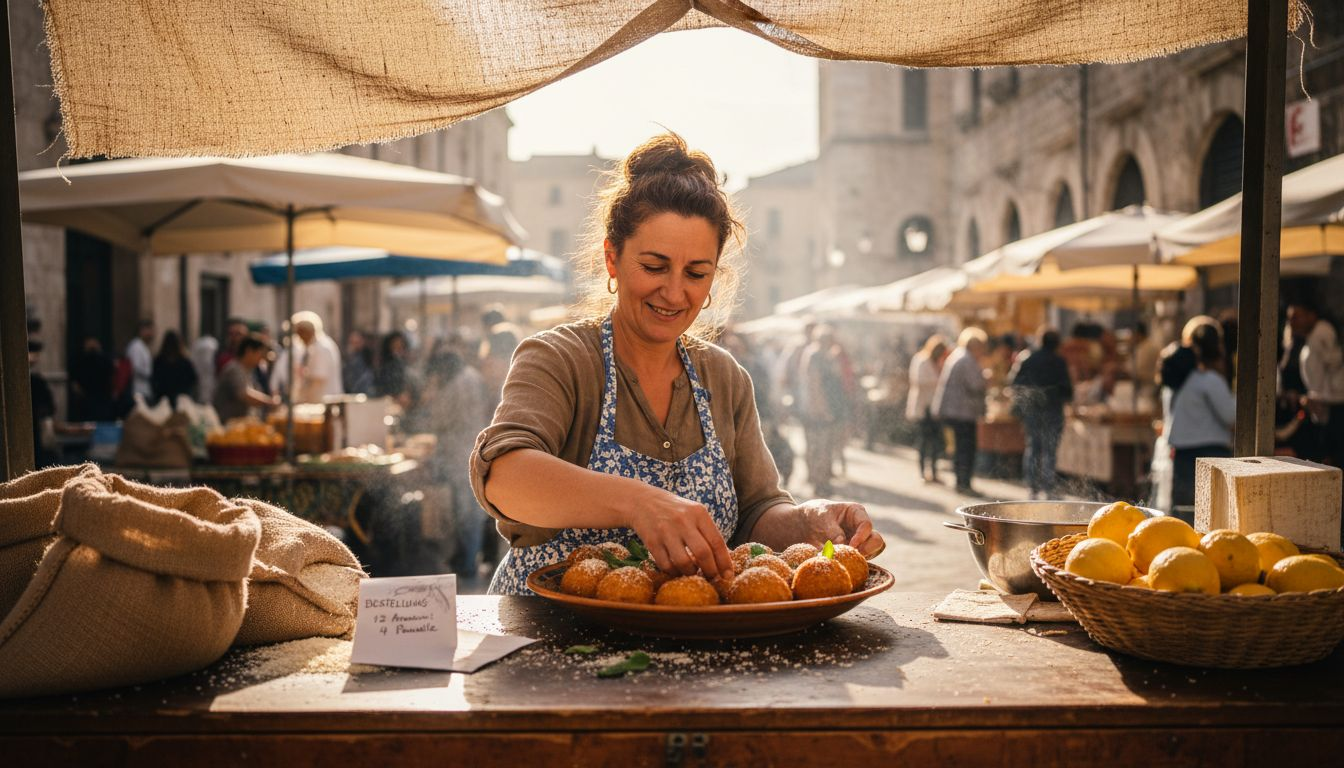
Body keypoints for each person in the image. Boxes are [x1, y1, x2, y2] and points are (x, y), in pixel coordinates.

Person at [471, 133, 884, 595]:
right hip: (549, 632)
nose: (674, 292)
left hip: (695, 640)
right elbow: (504, 476)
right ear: (613, 258)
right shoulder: (561, 358)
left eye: (695, 273)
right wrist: (637, 504)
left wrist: (810, 520)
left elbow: (757, 512)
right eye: (654, 266)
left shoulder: (723, 378)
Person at [423, 349, 492, 576]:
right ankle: (468, 560)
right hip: (472, 448)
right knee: (471, 510)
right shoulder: (473, 376)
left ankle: (467, 564)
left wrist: (432, 397)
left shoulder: (455, 385)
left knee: (466, 512)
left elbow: (439, 419)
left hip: (458, 453)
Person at [1166, 323, 1236, 520]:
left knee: (1184, 513)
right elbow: (1230, 416)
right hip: (1210, 453)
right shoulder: (1209, 381)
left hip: (1182, 455)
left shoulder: (1183, 381)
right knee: (1210, 514)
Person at [1007, 328, 1074, 499]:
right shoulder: (1059, 362)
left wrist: (1028, 399)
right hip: (1053, 410)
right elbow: (1067, 390)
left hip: (1032, 411)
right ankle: (1048, 487)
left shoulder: (1028, 359)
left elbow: (1015, 383)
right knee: (1050, 449)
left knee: (1033, 447)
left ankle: (1032, 487)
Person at [933, 327, 988, 495]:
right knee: (966, 448)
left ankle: (961, 482)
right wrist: (986, 378)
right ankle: (964, 483)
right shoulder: (967, 359)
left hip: (953, 410)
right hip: (962, 411)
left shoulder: (957, 355)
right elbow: (975, 385)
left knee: (960, 448)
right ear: (976, 346)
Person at [1289, 301, 1344, 467]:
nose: (1292, 322)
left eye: (1296, 317)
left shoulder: (1322, 332)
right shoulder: (1308, 338)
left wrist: (1322, 397)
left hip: (1334, 406)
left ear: (1311, 315)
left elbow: (1334, 363)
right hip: (1323, 405)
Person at [799, 326, 846, 496]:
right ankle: (819, 483)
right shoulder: (815, 355)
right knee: (820, 447)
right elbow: (814, 385)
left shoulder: (824, 355)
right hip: (818, 411)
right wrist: (822, 409)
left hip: (823, 409)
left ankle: (821, 481)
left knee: (823, 447)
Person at [274, 311, 343, 404]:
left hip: (323, 400)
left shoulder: (322, 347)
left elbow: (319, 376)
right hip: (316, 401)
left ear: (308, 331)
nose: (300, 338)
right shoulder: (312, 347)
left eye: (300, 333)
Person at [906, 334, 948, 484]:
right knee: (924, 440)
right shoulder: (922, 360)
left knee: (936, 441)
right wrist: (938, 380)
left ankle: (934, 471)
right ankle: (923, 471)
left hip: (935, 407)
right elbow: (919, 380)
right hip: (923, 407)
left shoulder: (938, 363)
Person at [213, 334, 279, 422]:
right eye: (259, 354)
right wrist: (270, 402)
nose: (261, 359)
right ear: (249, 351)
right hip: (227, 423)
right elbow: (244, 394)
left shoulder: (249, 371)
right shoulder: (234, 369)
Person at [70, 336, 115, 422]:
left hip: (101, 397)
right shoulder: (81, 360)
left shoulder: (103, 360)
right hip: (88, 398)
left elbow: (110, 375)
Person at [151, 330, 199, 407]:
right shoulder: (184, 362)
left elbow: (154, 380)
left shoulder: (159, 361)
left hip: (163, 400)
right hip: (180, 400)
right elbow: (193, 379)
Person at [374, 330, 418, 410]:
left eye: (400, 344)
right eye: (395, 344)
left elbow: (410, 381)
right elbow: (382, 383)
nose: (398, 347)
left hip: (406, 403)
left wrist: (407, 394)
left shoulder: (406, 364)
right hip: (388, 401)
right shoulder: (386, 365)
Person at [125, 319, 155, 401]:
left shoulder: (143, 346)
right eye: (149, 330)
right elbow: (135, 367)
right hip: (138, 390)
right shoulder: (136, 346)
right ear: (142, 330)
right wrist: (149, 373)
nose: (152, 333)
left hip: (144, 390)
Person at [343, 330, 376, 395]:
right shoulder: (350, 357)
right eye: (352, 342)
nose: (354, 345)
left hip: (363, 391)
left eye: (357, 342)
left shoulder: (366, 355)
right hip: (351, 392)